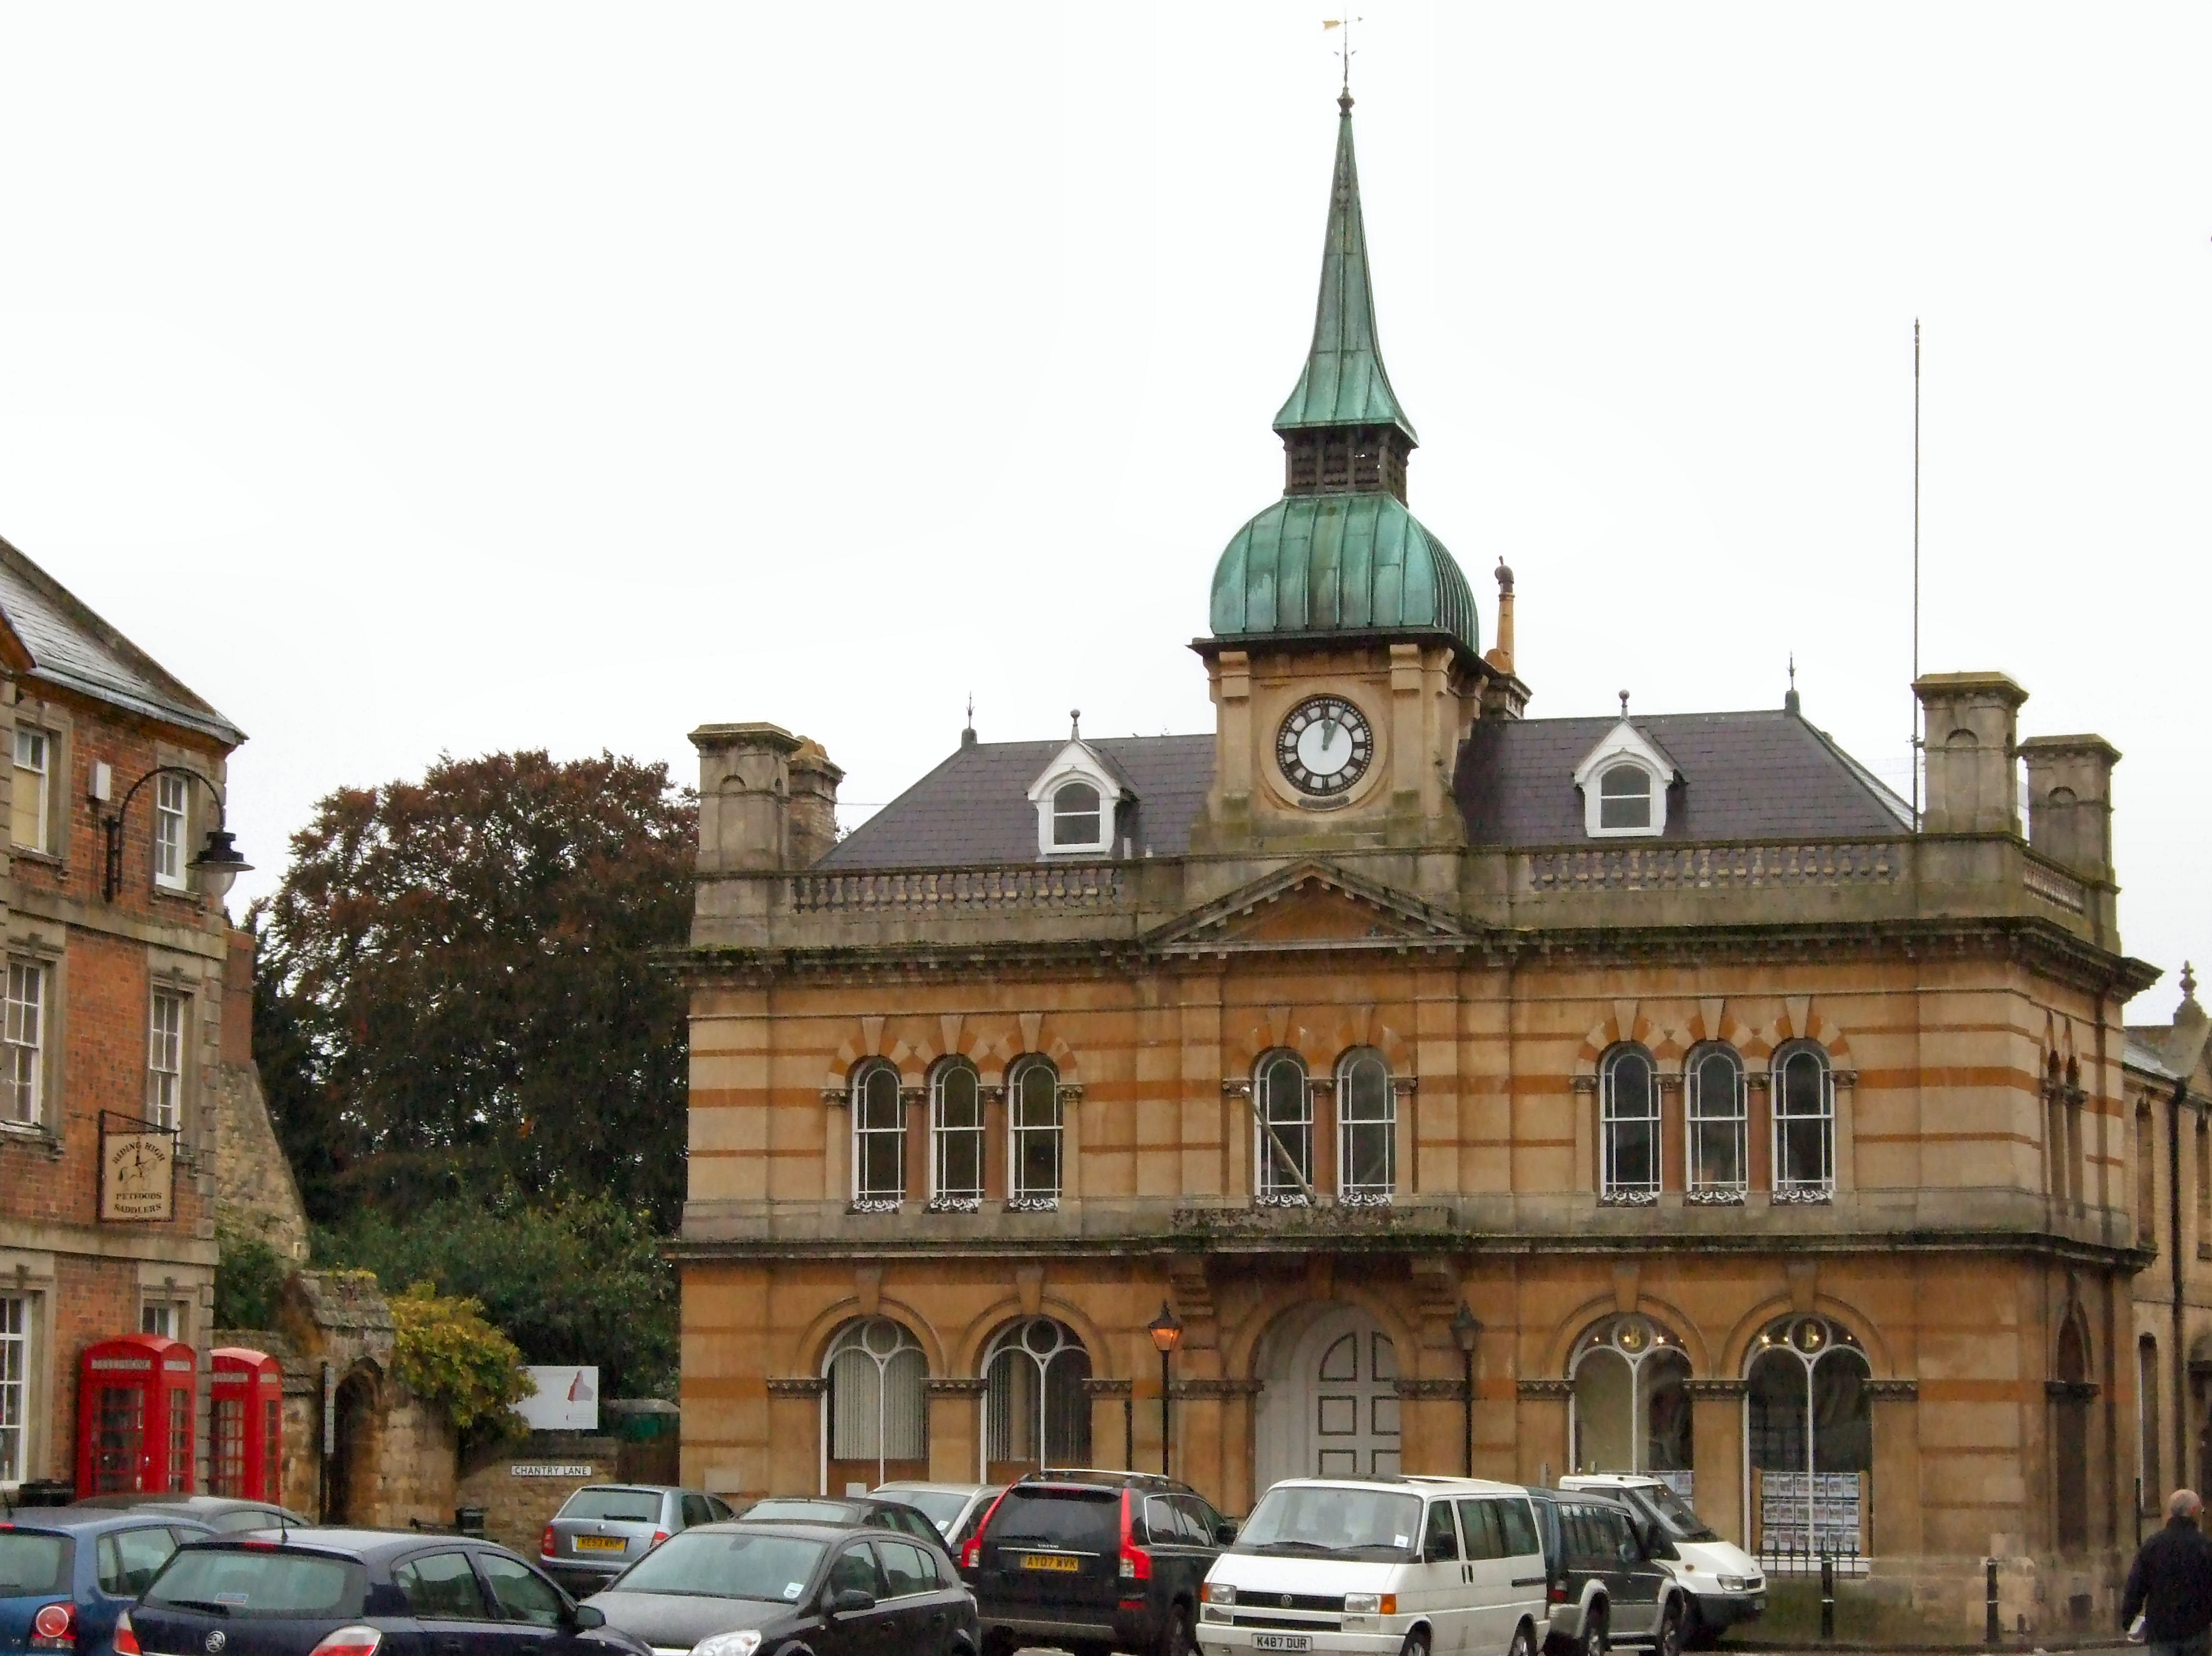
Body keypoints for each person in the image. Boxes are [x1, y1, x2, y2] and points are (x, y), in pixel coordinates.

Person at [2123, 1489, 2212, 1656]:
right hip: (2197, 1629)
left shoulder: (2153, 1546)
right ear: (2193, 1512)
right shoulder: (2204, 1547)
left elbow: (2136, 1586)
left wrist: (2128, 1618)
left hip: (2162, 1631)